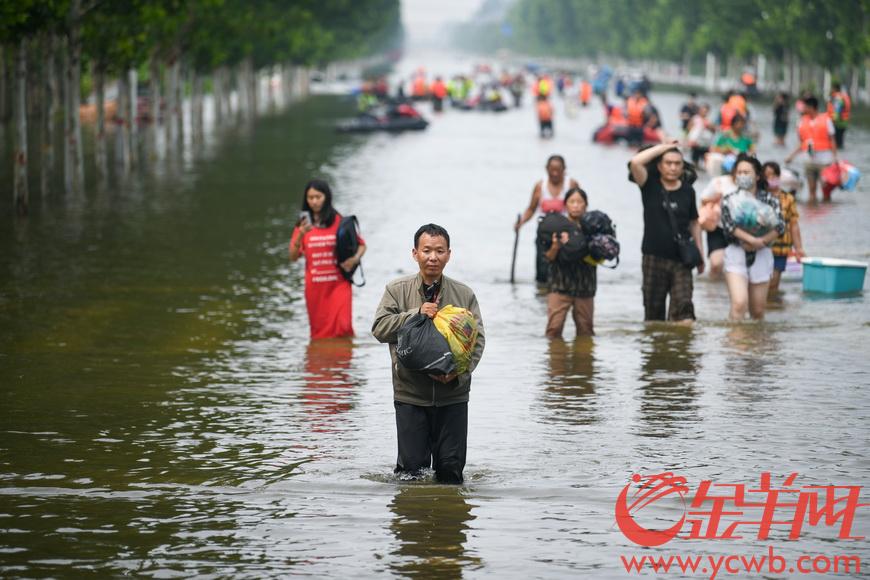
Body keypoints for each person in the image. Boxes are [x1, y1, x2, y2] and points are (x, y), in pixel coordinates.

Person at [372, 224, 485, 484]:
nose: (432, 257)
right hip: (410, 395)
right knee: (411, 475)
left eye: (439, 251)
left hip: (453, 395)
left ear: (448, 254)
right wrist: (415, 315)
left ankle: (448, 522)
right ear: (415, 254)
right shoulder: (396, 290)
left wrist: (458, 373)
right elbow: (379, 328)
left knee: (451, 475)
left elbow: (477, 340)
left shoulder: (464, 294)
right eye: (426, 250)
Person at [628, 142, 705, 322]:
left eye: (677, 163)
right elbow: (635, 162)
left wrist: (700, 254)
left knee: (685, 312)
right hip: (653, 258)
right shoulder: (649, 185)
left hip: (682, 259)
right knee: (653, 316)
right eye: (668, 163)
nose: (673, 167)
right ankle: (660, 350)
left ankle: (681, 349)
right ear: (659, 166)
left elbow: (694, 223)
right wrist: (665, 146)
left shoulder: (688, 190)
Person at [290, 179, 366, 339]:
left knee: (344, 328)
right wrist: (301, 234)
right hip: (315, 287)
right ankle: (321, 363)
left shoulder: (340, 221)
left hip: (339, 283)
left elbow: (362, 245)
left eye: (318, 197)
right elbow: (293, 257)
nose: (314, 201)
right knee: (319, 334)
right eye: (310, 198)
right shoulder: (302, 225)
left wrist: (354, 259)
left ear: (327, 197)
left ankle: (344, 363)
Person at [720, 155, 785, 320]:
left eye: (746, 172)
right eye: (739, 172)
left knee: (757, 310)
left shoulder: (770, 200)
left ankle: (756, 343)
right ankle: (735, 344)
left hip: (762, 253)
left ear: (757, 176)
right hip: (737, 251)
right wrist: (750, 240)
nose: (742, 175)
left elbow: (780, 226)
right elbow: (728, 226)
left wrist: (761, 241)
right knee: (739, 303)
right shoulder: (729, 199)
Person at [515, 155, 581, 283]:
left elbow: (580, 206)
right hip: (544, 236)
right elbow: (531, 209)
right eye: (552, 170)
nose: (555, 173)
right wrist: (520, 223)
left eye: (558, 170)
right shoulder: (540, 186)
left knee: (564, 271)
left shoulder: (571, 184)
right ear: (546, 169)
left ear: (564, 169)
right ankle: (541, 297)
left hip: (565, 235)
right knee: (542, 273)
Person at [543, 188, 597, 337]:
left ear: (586, 205)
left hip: (585, 286)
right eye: (572, 202)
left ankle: (584, 359)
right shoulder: (556, 227)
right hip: (559, 285)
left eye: (580, 202)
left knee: (586, 331)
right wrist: (556, 246)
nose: (576, 205)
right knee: (553, 330)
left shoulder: (593, 228)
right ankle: (556, 358)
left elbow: (601, 257)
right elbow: (548, 257)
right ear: (565, 205)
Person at [763, 161, 805, 298]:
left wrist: (799, 248)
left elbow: (794, 224)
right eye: (767, 176)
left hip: (781, 247)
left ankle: (773, 307)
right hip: (762, 247)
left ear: (778, 177)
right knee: (762, 282)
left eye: (773, 175)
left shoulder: (788, 199)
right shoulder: (759, 197)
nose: (770, 179)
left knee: (774, 282)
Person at [784, 96, 838, 201]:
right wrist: (791, 156)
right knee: (811, 191)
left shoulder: (826, 120)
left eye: (805, 107)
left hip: (825, 161)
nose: (803, 109)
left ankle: (826, 213)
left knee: (825, 190)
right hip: (809, 161)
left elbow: (832, 140)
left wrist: (835, 158)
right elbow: (801, 143)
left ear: (812, 107)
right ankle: (812, 213)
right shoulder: (801, 122)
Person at [827, 82, 851, 149]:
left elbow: (837, 111)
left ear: (835, 89)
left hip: (837, 123)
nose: (830, 90)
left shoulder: (838, 98)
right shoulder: (843, 96)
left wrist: (832, 121)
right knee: (840, 143)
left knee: (836, 143)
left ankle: (838, 157)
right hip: (844, 122)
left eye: (831, 88)